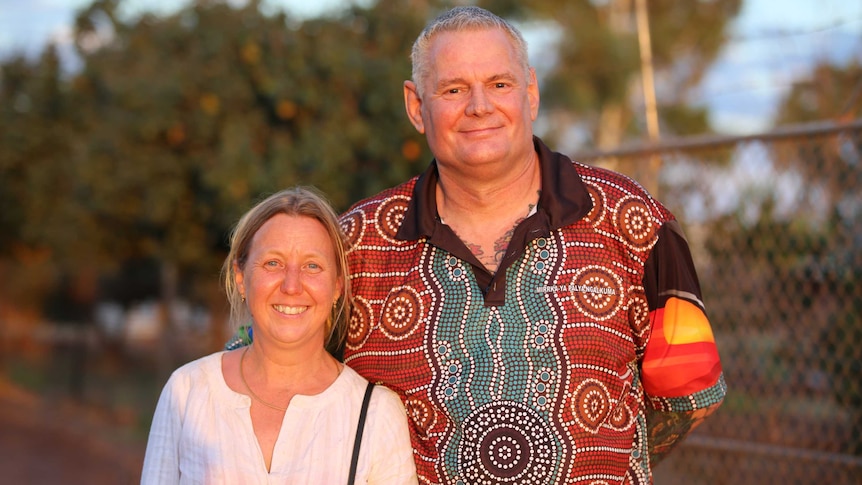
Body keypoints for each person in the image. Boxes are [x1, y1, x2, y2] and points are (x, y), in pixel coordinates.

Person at [231, 6, 726, 484]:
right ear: (415, 106)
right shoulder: (354, 245)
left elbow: (689, 393)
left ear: (529, 92)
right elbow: (266, 364)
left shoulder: (634, 223)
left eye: (499, 84)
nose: (479, 106)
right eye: (453, 89)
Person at [142, 187, 417, 484]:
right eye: (273, 263)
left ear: (337, 286)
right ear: (241, 277)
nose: (291, 285)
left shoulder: (376, 414)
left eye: (312, 266)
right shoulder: (188, 392)